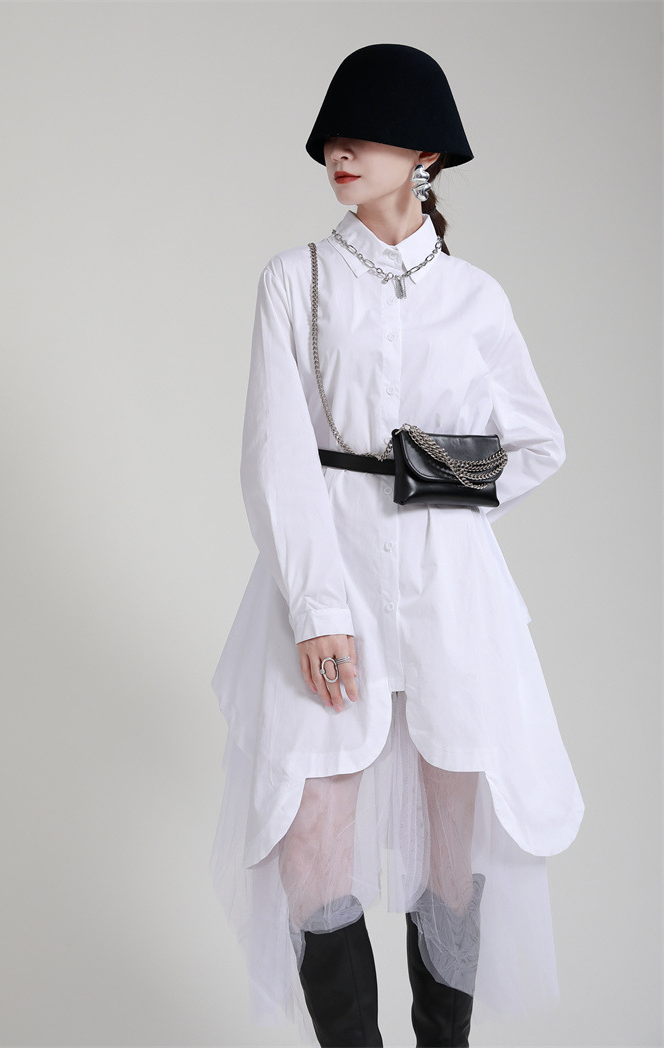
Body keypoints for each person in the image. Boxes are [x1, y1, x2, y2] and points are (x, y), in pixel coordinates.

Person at [209, 43, 585, 1048]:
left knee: (451, 850)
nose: (341, 151)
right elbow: (274, 455)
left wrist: (433, 482)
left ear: (426, 156)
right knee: (310, 837)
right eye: (333, 136)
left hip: (451, 593)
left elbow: (538, 443)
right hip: (324, 577)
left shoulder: (476, 298)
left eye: (366, 135)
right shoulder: (296, 280)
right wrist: (318, 611)